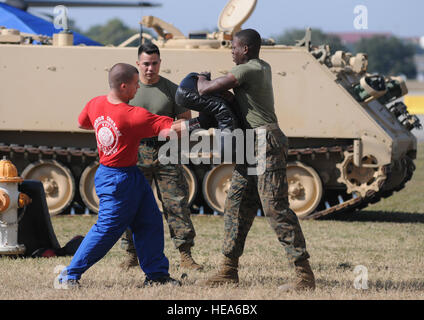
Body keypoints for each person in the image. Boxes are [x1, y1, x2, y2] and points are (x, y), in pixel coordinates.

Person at [196, 29, 316, 291]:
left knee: (274, 207)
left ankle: (303, 275)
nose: (231, 51)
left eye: (234, 47)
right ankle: (228, 270)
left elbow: (205, 90)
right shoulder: (261, 67)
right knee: (236, 202)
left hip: (265, 142)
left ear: (246, 49)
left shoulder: (247, 69)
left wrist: (201, 77)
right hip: (252, 142)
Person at [58, 63, 184, 288]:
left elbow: (82, 123)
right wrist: (202, 121)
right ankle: (68, 275)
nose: (138, 89)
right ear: (124, 86)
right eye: (135, 85)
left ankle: (156, 276)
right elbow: (170, 131)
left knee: (150, 221)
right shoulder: (133, 116)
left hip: (122, 174)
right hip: (118, 180)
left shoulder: (95, 103)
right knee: (106, 229)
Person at [119, 43, 203, 271]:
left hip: (167, 152)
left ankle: (185, 255)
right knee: (131, 204)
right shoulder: (128, 91)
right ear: (138, 64)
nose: (150, 68)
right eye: (145, 64)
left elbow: (187, 121)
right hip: (135, 152)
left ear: (160, 63)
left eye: (154, 63)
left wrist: (172, 131)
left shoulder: (172, 90)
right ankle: (131, 254)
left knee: (176, 203)